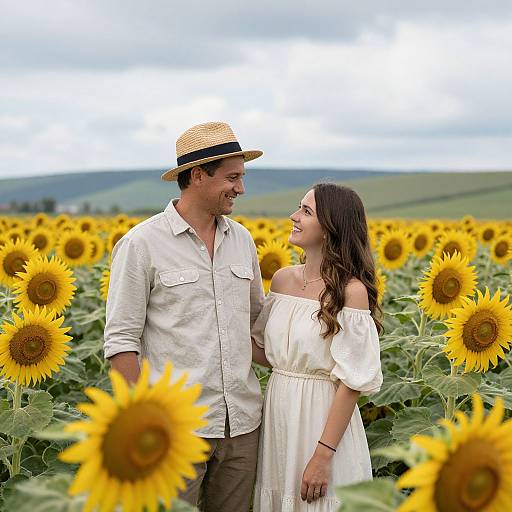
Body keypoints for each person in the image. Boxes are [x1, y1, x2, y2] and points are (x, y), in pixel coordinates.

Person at [103, 121, 266, 512]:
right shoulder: (141, 244)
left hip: (242, 425)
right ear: (197, 176)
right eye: (232, 177)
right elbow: (121, 343)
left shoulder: (242, 240)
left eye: (241, 177)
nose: (240, 189)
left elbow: (257, 326)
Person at [251, 183, 384, 511]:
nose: (293, 216)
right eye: (299, 207)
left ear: (330, 228)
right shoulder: (282, 279)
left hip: (322, 421)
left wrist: (324, 454)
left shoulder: (350, 292)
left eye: (306, 212)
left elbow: (352, 381)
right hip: (279, 416)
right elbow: (269, 353)